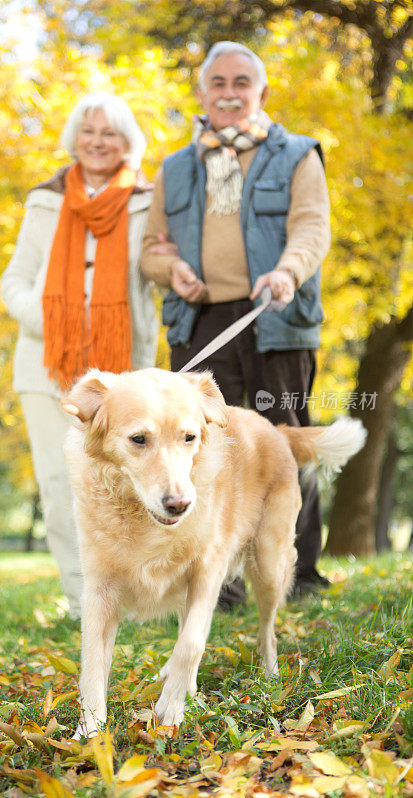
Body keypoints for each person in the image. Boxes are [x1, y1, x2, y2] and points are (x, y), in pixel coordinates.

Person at [141, 42, 331, 604]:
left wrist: (287, 272)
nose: (229, 92)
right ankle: (214, 578)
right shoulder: (175, 168)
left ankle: (300, 573)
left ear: (261, 92)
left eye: (241, 82)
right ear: (202, 94)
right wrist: (171, 267)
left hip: (274, 311)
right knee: (197, 445)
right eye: (218, 83)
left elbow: (312, 227)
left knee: (285, 436)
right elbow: (151, 249)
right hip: (200, 322)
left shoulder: (298, 155)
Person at [1, 93, 158, 619]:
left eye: (109, 133)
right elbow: (14, 282)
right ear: (75, 138)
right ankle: (80, 601)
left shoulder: (145, 200)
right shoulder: (45, 200)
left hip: (122, 373)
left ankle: (133, 596)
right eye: (89, 131)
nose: (97, 141)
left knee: (126, 480)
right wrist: (55, 321)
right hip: (46, 367)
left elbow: (156, 276)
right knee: (58, 480)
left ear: (126, 141)